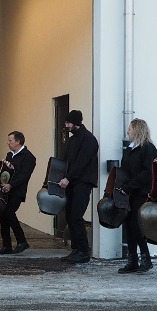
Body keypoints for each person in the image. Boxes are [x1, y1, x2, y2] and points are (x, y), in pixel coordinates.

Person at [115, 119, 157, 273]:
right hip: (128, 192)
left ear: (138, 130)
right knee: (128, 225)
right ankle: (132, 260)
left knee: (136, 225)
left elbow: (147, 172)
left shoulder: (148, 149)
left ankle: (146, 258)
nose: (127, 132)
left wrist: (131, 186)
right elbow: (125, 169)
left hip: (141, 192)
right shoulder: (130, 149)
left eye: (130, 129)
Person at [58, 110, 98, 263]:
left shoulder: (89, 139)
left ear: (75, 123)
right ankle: (76, 249)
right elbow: (67, 160)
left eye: (68, 123)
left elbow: (82, 162)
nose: (66, 125)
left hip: (83, 182)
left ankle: (83, 251)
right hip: (73, 182)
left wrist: (68, 177)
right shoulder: (73, 140)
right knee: (70, 215)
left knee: (76, 216)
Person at [0, 131, 36, 255]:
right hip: (6, 191)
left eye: (10, 140)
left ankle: (22, 241)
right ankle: (6, 245)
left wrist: (11, 185)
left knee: (9, 213)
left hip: (17, 191)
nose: (8, 143)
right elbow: (7, 173)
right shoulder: (10, 155)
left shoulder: (29, 157)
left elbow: (24, 175)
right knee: (3, 215)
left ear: (17, 141)